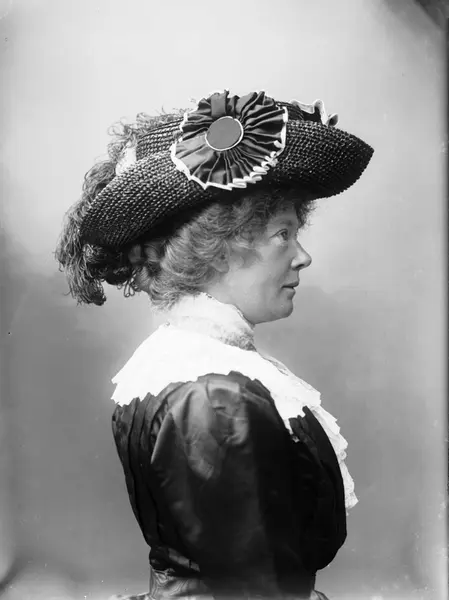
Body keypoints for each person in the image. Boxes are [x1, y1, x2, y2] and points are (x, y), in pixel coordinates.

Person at [55, 90, 374, 600]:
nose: (302, 256)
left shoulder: (185, 364)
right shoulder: (214, 395)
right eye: (283, 234)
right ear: (222, 248)